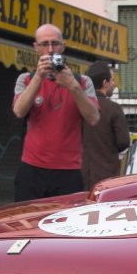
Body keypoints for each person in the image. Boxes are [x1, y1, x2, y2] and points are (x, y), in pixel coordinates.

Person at [12, 23, 100, 201]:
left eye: (55, 44)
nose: (50, 50)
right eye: (44, 44)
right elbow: (19, 111)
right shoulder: (26, 79)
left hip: (68, 171)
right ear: (36, 48)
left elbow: (94, 118)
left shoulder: (82, 82)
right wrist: (38, 77)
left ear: (63, 46)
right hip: (32, 168)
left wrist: (72, 86)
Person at [82, 62, 131, 189]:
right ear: (105, 83)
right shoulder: (113, 108)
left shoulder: (78, 105)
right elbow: (123, 142)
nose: (115, 84)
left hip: (79, 173)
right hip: (106, 174)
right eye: (113, 80)